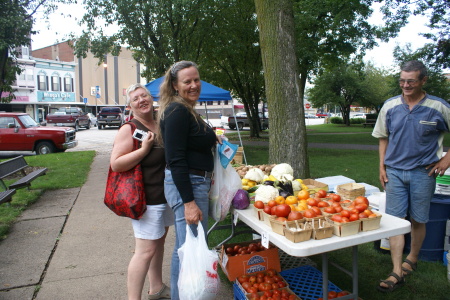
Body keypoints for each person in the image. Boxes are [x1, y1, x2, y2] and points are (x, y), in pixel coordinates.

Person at [372, 60, 450, 293]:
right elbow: (382, 137)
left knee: (418, 219)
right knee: (395, 221)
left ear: (423, 80)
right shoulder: (390, 106)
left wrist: (446, 159)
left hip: (423, 173)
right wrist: (382, 167)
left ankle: (412, 258)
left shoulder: (438, 107)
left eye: (411, 81)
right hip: (394, 172)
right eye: (402, 81)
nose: (405, 85)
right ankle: (397, 270)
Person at [156, 61, 220, 300]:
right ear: (174, 85)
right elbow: (175, 160)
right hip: (188, 185)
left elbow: (191, 144)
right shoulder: (177, 111)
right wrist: (189, 202)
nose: (194, 85)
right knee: (191, 249)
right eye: (187, 81)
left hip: (192, 183)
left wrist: (213, 140)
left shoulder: (185, 109)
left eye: (196, 79)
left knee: (184, 249)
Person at [110, 83, 174, 300]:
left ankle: (156, 288)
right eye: (136, 98)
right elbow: (116, 164)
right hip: (146, 200)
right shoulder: (129, 129)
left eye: (144, 95)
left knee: (159, 243)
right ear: (130, 106)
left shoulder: (159, 123)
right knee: (145, 251)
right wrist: (144, 150)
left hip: (165, 196)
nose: (141, 100)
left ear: (151, 98)